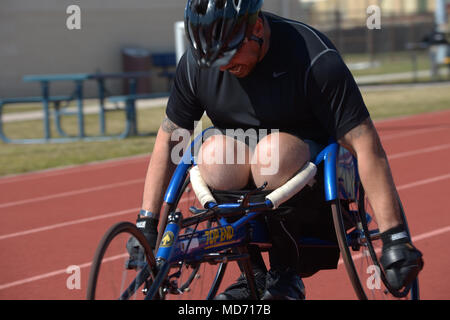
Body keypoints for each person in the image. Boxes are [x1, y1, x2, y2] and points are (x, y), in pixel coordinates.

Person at [127, 0, 423, 300]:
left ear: (256, 28)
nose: (224, 67)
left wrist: (394, 236)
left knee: (272, 155)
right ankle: (252, 274)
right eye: (213, 62)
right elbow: (170, 140)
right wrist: (147, 222)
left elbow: (365, 143)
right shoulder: (194, 65)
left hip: (306, 166)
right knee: (212, 155)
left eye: (228, 55)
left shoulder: (314, 57)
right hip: (241, 158)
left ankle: (287, 272)